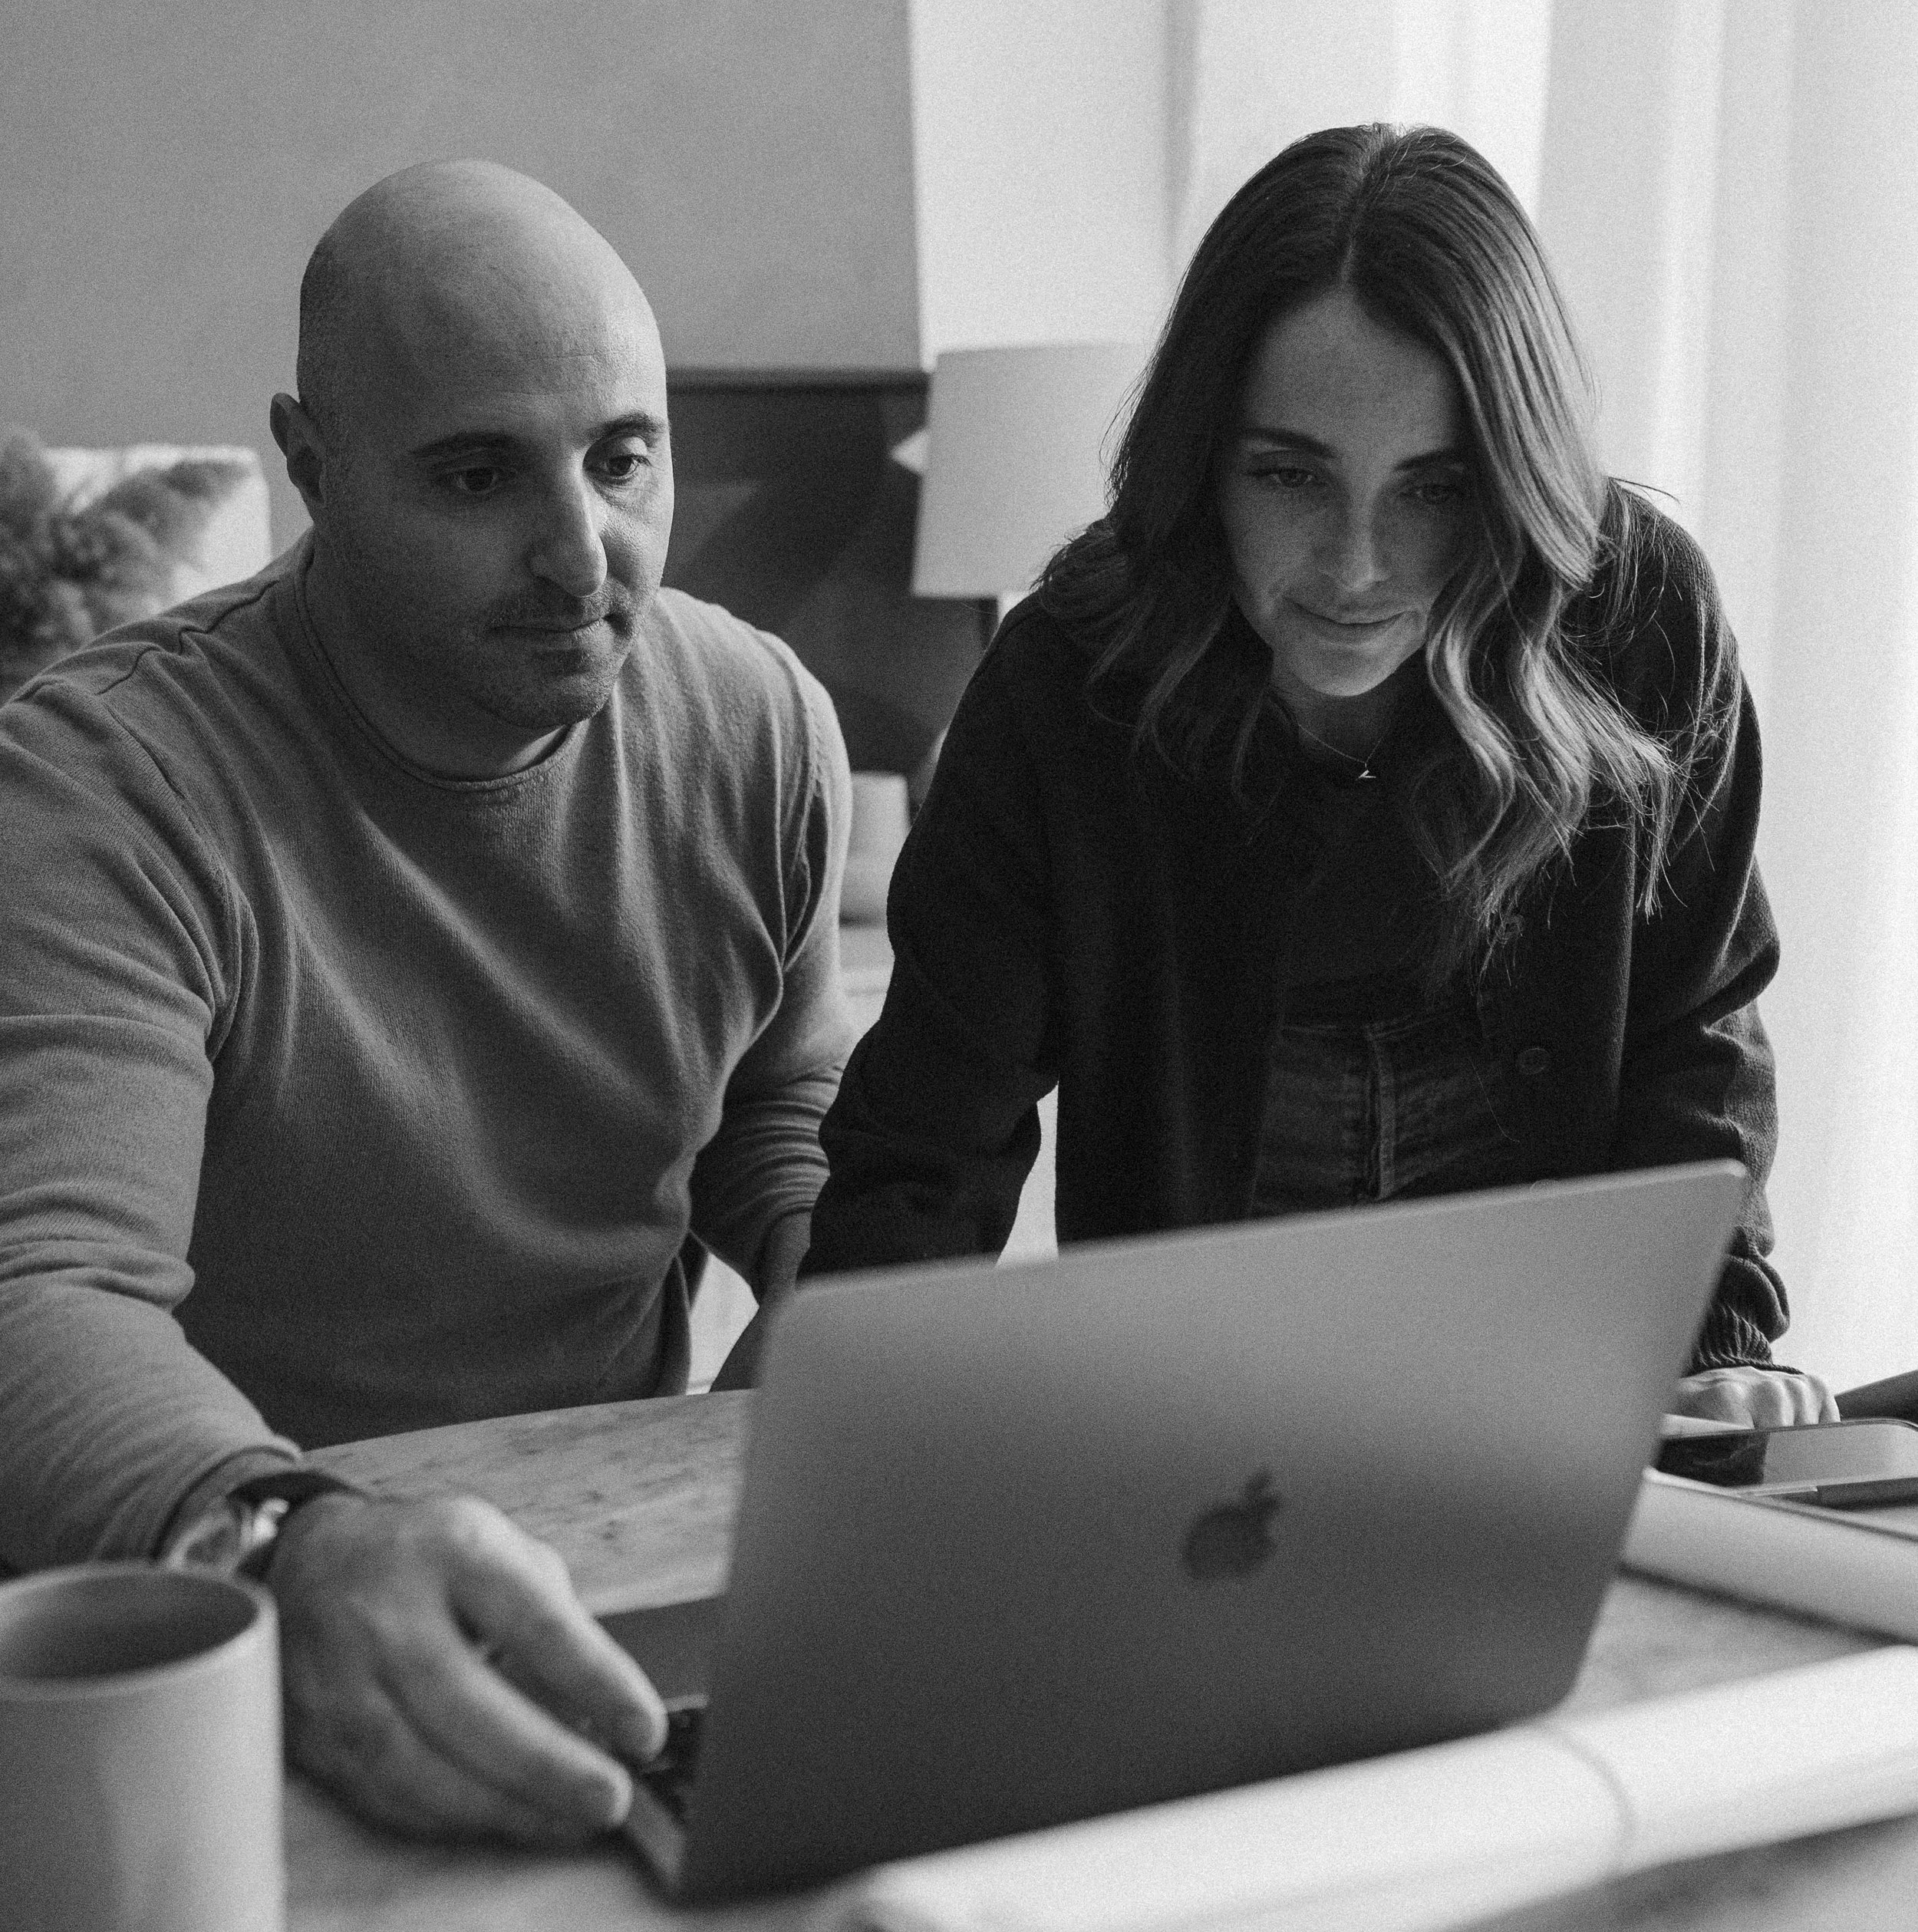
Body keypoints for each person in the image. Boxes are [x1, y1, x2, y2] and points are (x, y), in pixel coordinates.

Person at [0, 159, 854, 1840]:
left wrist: (845, 1309)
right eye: (475, 475)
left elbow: (778, 1105)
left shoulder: (760, 722)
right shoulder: (100, 788)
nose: (578, 552)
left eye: (624, 459)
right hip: (220, 1617)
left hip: (611, 1566)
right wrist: (280, 1539)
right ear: (308, 464)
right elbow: (39, 1291)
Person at [806, 123, 1831, 1430]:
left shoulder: (1639, 624)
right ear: (1201, 460)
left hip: (1558, 1421)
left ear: (1513, 484)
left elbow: (1698, 1031)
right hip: (1196, 1447)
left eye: (1434, 490)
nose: (1356, 567)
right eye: (1290, 474)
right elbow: (928, 1146)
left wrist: (1716, 1344)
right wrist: (838, 1424)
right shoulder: (1073, 678)